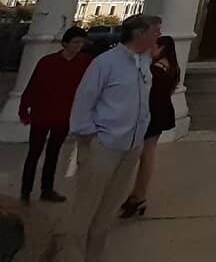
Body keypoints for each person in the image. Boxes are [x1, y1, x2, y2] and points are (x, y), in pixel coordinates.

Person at [63, 14, 161, 262]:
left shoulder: (143, 61)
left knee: (107, 211)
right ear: (140, 34)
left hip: (131, 147)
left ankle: (94, 256)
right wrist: (93, 139)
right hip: (103, 147)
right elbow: (84, 103)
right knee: (85, 210)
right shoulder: (105, 63)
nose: (158, 37)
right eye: (155, 32)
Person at [18, 26, 91, 204]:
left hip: (64, 116)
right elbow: (34, 86)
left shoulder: (85, 62)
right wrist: (24, 109)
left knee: (53, 153)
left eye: (81, 42)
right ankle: (25, 191)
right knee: (34, 153)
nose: (79, 46)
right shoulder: (48, 62)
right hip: (42, 114)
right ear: (65, 43)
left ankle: (47, 189)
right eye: (75, 42)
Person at [120, 35, 180, 218]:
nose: (150, 49)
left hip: (153, 113)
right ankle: (138, 194)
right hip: (161, 112)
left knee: (146, 154)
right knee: (148, 153)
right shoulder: (172, 67)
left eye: (154, 46)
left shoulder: (156, 70)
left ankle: (139, 195)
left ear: (162, 48)